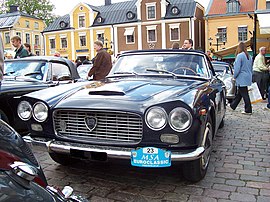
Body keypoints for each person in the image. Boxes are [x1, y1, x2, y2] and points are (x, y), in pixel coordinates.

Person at [229, 42, 253, 114]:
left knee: (244, 93)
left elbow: (237, 68)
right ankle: (233, 105)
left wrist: (234, 76)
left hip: (241, 77)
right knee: (240, 93)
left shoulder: (240, 56)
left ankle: (248, 109)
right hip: (248, 76)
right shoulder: (249, 56)